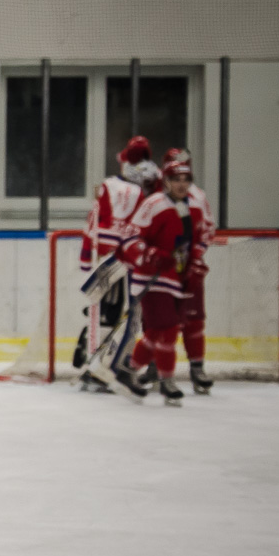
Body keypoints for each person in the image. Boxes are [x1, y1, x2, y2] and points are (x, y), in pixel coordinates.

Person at [112, 150, 213, 405]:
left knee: (158, 332)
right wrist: (152, 255)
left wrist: (195, 262)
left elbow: (199, 238)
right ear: (166, 181)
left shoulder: (194, 206)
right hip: (152, 278)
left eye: (186, 179)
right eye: (176, 179)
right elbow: (131, 238)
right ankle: (167, 382)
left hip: (177, 278)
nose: (181, 184)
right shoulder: (154, 204)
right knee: (167, 330)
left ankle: (129, 370)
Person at [72, 135, 162, 391]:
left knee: (116, 314)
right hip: (130, 259)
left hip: (115, 259)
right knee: (128, 315)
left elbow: (94, 224)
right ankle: (105, 364)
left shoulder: (114, 186)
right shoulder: (150, 187)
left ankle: (99, 364)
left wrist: (87, 258)